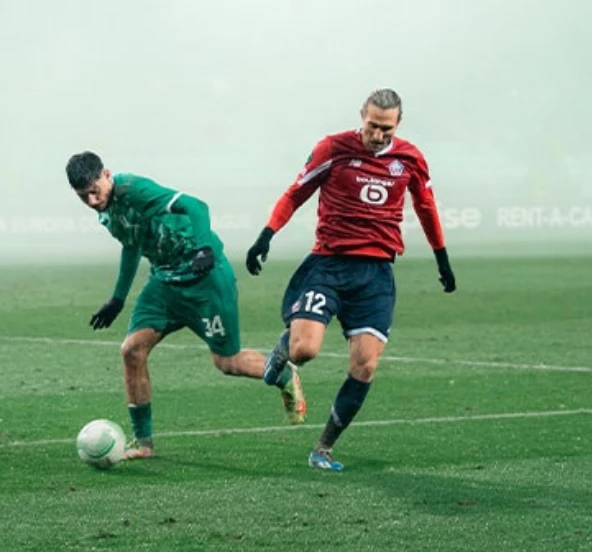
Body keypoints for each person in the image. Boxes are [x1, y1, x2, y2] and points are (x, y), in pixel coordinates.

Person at [244, 88, 456, 472]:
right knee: (305, 351)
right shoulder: (333, 148)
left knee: (365, 366)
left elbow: (426, 206)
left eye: (386, 129)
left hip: (375, 275)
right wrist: (266, 234)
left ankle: (322, 448)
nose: (378, 134)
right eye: (372, 125)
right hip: (328, 264)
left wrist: (441, 257)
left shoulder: (409, 158)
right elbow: (296, 193)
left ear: (398, 124)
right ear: (362, 115)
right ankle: (282, 353)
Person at [67, 151, 306, 459]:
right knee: (131, 350)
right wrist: (117, 298)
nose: (91, 200)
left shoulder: (134, 190)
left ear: (107, 175)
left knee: (227, 362)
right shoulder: (107, 212)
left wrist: (204, 247)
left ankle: (284, 374)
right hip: (164, 283)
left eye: (94, 190)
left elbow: (196, 205)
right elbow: (131, 246)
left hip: (204, 279)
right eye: (82, 196)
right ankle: (144, 444)